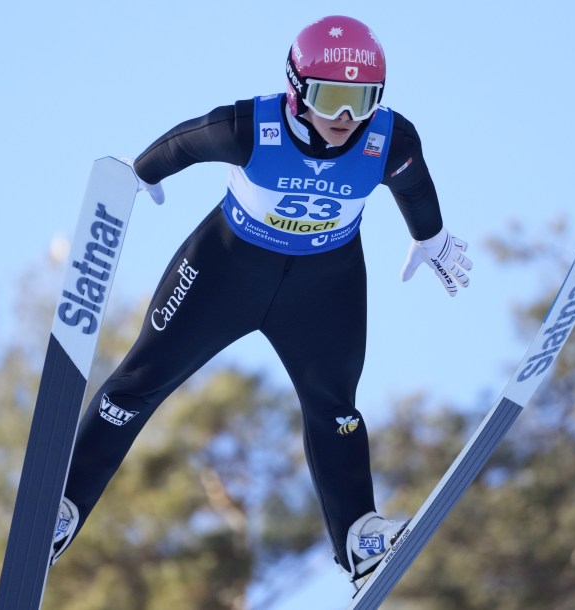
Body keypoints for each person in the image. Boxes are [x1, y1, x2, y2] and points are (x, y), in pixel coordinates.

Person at [50, 14, 473, 588]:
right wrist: (132, 180)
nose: (346, 118)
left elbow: (414, 184)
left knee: (337, 410)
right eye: (331, 98)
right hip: (225, 271)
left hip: (324, 287)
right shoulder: (249, 125)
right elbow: (184, 142)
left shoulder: (390, 137)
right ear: (299, 89)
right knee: (137, 382)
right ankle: (64, 504)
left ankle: (359, 537)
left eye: (361, 100)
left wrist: (432, 237)